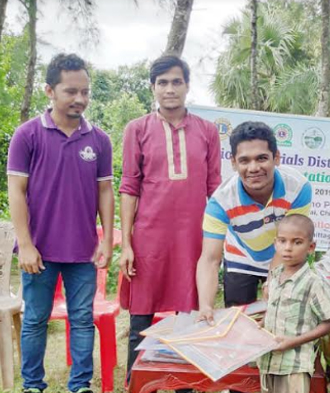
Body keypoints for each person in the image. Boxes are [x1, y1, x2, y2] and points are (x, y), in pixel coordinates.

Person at [8, 53, 114, 393]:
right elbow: (17, 192)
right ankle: (33, 386)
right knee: (36, 320)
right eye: (71, 91)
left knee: (82, 320)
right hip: (38, 252)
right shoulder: (27, 135)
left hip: (83, 252)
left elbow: (105, 192)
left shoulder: (99, 140)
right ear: (49, 91)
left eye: (85, 92)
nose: (80, 99)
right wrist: (24, 244)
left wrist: (107, 239)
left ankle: (80, 384)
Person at [118, 55, 222, 378]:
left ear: (187, 86)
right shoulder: (137, 129)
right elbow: (129, 187)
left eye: (177, 81)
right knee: (141, 318)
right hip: (149, 238)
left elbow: (215, 188)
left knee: (189, 318)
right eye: (162, 83)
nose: (170, 89)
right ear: (153, 88)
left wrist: (217, 244)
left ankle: (185, 383)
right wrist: (127, 244)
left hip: (193, 240)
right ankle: (137, 381)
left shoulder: (207, 131)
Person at [196, 121, 312, 319]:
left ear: (276, 158)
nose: (254, 168)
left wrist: (272, 281)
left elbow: (289, 241)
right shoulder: (221, 202)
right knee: (238, 322)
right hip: (241, 254)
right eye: (244, 160)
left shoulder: (298, 188)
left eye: (262, 158)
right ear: (233, 163)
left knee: (282, 318)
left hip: (285, 251)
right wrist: (205, 306)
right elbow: (210, 259)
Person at [257, 214, 330, 393]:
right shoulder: (275, 277)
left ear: (311, 247)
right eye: (282, 241)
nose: (288, 248)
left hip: (295, 366)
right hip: (268, 362)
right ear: (275, 243)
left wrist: (293, 341)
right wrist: (260, 326)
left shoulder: (313, 283)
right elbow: (273, 310)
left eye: (297, 242)